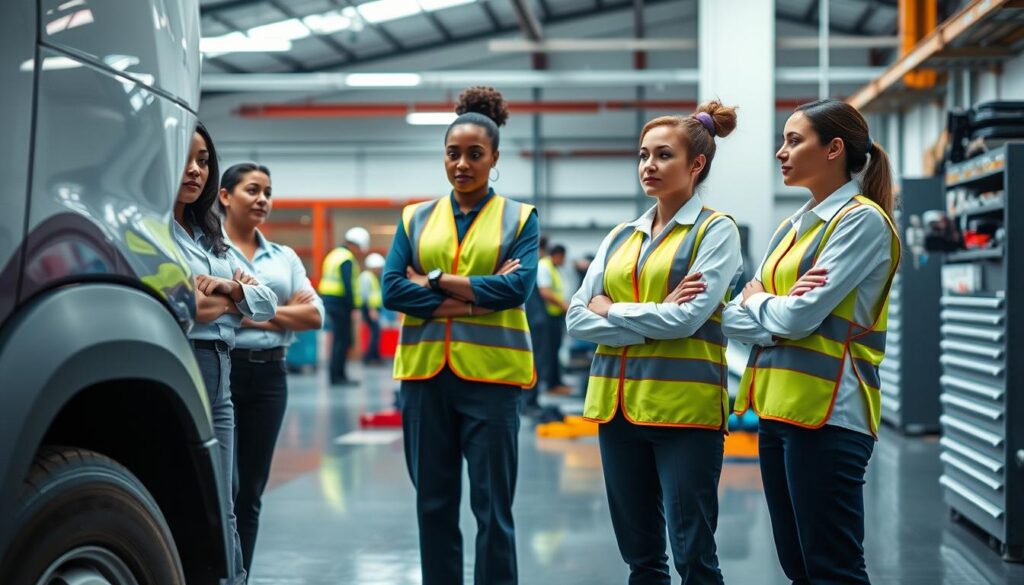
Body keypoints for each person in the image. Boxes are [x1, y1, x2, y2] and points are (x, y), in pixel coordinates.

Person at [723, 98, 901, 585]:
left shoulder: (860, 221)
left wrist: (763, 302)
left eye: (794, 141)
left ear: (834, 149)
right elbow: (731, 318)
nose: (781, 152)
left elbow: (798, 315)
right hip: (777, 412)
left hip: (830, 415)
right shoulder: (792, 227)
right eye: (782, 141)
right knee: (798, 567)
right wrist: (769, 306)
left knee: (833, 569)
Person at [566, 101, 742, 585]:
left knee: (693, 556)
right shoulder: (622, 236)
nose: (649, 165)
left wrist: (612, 309)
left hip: (683, 412)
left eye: (664, 155)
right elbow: (577, 317)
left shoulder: (716, 231)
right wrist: (652, 317)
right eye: (643, 155)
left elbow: (687, 319)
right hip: (617, 411)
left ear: (696, 165)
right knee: (641, 558)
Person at [381, 86, 539, 585]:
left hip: (493, 383)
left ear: (495, 158)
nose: (462, 164)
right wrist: (474, 296)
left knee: (493, 510)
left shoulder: (519, 217)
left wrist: (431, 282)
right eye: (453, 154)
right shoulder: (415, 217)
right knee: (433, 504)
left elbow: (516, 288)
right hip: (425, 380)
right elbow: (391, 290)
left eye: (475, 154)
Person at [171, 125, 278, 585]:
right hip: (185, 364)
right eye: (185, 157)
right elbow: (184, 306)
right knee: (185, 493)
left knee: (225, 498)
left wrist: (232, 289)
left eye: (204, 160)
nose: (196, 169)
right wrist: (238, 302)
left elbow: (268, 303)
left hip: (221, 373)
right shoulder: (155, 232)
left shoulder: (208, 236)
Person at [218, 162, 324, 576]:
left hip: (269, 378)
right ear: (225, 196)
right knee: (223, 488)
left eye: (267, 191)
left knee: (251, 492)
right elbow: (203, 310)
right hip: (220, 370)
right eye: (252, 190)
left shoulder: (283, 257)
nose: (262, 199)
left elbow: (314, 315)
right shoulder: (208, 250)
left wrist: (246, 307)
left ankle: (239, 575)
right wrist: (284, 310)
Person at [318, 226, 369, 385]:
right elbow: (348, 285)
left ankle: (337, 375)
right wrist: (353, 307)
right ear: (355, 244)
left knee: (339, 340)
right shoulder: (346, 258)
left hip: (330, 301)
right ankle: (338, 377)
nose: (360, 252)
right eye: (360, 248)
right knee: (342, 340)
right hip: (340, 303)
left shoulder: (334, 255)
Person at [537, 243, 572, 395]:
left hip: (555, 314)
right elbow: (545, 292)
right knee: (549, 351)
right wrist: (564, 305)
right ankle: (550, 385)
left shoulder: (554, 268)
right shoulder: (544, 266)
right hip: (547, 316)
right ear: (558, 255)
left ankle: (556, 383)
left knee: (555, 349)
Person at [360, 252, 386, 365]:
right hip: (370, 309)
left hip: (374, 308)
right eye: (378, 268)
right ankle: (369, 357)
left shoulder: (372, 277)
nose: (380, 271)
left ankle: (375, 357)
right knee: (375, 332)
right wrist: (372, 310)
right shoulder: (366, 277)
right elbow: (366, 295)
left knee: (376, 333)